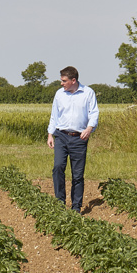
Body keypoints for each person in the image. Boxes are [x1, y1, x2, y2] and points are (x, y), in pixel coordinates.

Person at [47, 66, 99, 213]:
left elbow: (94, 113)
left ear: (73, 80)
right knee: (58, 167)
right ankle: (59, 203)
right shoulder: (59, 94)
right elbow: (54, 116)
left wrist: (89, 129)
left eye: (64, 81)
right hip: (61, 136)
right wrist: (50, 134)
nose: (61, 84)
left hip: (79, 138)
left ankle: (76, 207)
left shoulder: (88, 93)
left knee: (77, 174)